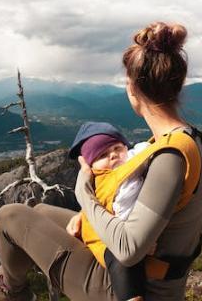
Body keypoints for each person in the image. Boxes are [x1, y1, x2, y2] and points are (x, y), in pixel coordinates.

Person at [0, 22, 202, 301]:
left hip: (129, 288)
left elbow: (129, 248)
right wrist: (88, 215)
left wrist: (85, 193)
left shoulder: (170, 157)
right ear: (177, 85)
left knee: (9, 215)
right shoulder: (186, 139)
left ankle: (14, 294)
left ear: (132, 89)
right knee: (43, 212)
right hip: (144, 275)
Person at [66, 121, 151, 301]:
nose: (113, 155)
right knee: (119, 259)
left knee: (125, 257)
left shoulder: (131, 162)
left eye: (117, 148)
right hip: (105, 237)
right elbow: (101, 200)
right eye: (103, 154)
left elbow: (146, 148)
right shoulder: (103, 179)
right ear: (93, 166)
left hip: (124, 234)